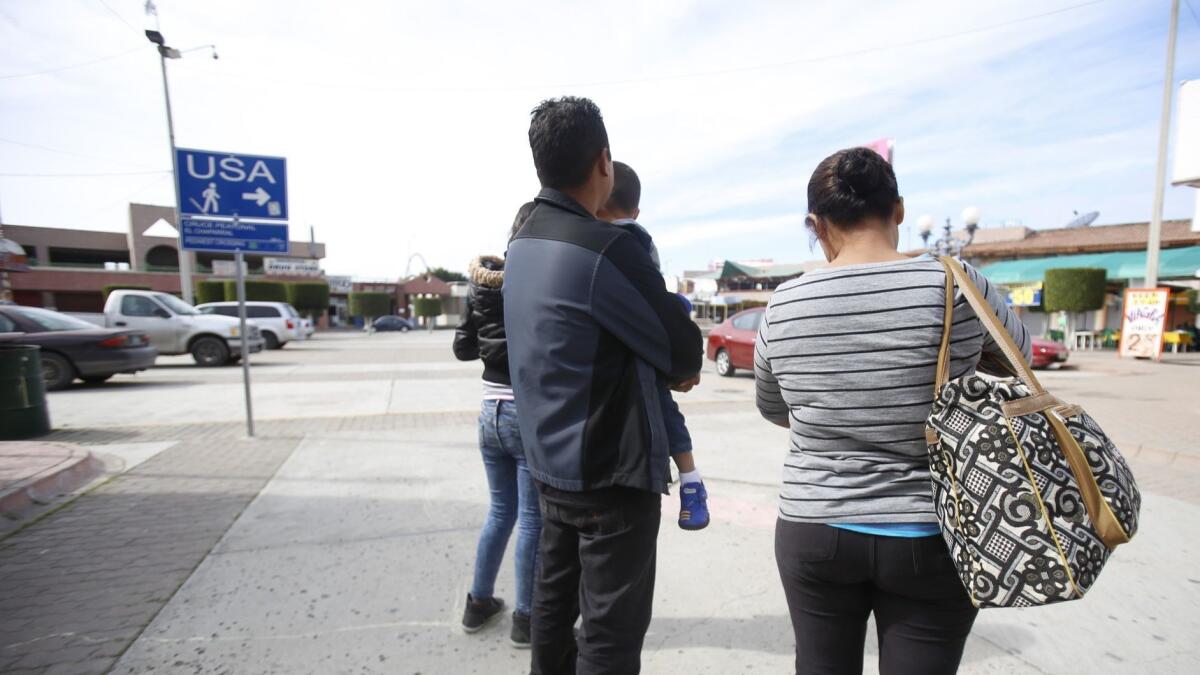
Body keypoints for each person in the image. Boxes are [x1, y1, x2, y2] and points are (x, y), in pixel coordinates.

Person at [755, 147, 1031, 675]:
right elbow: (1020, 361)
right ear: (898, 211)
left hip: (815, 527)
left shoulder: (783, 304)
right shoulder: (956, 283)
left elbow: (773, 407)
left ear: (816, 224)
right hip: (934, 532)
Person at [504, 96, 703, 675]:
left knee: (552, 609)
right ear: (603, 163)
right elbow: (684, 351)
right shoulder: (608, 247)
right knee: (610, 640)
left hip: (548, 468)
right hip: (611, 477)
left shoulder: (522, 242)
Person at [596, 160, 710, 530]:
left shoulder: (609, 242)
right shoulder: (641, 239)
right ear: (636, 208)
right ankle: (690, 477)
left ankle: (691, 479)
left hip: (637, 346)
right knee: (666, 409)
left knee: (662, 406)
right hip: (653, 341)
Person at [452, 200, 542, 648]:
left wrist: (489, 340)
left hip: (489, 413)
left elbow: (463, 350)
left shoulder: (481, 288)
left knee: (500, 512)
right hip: (525, 414)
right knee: (531, 520)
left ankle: (477, 602)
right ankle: (525, 620)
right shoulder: (538, 282)